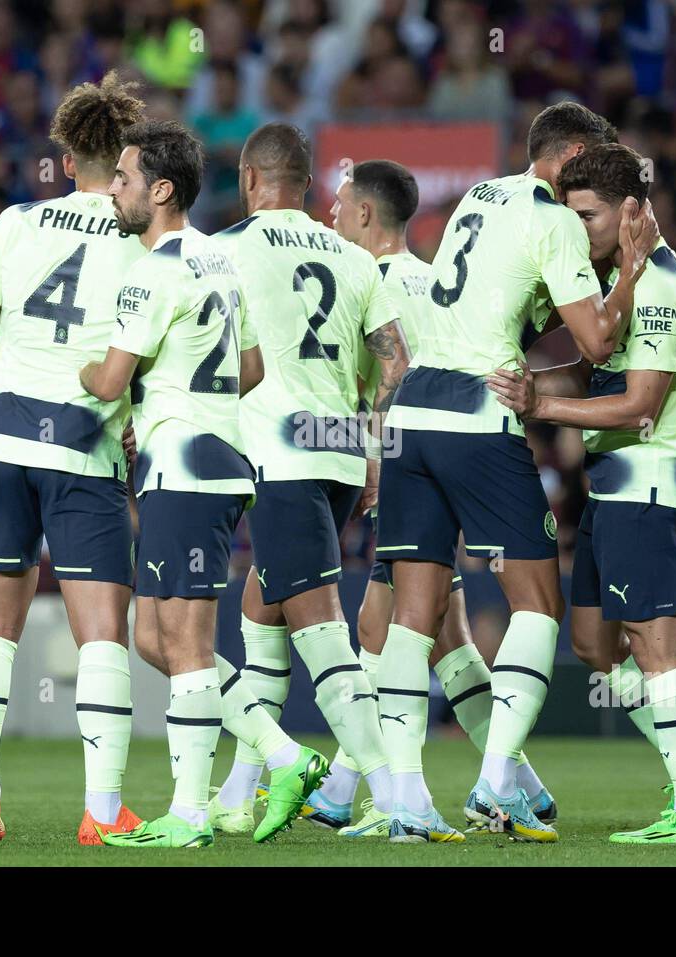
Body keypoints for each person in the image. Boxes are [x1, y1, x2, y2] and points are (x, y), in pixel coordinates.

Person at [375, 102, 655, 843]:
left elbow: (498, 300)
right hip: (476, 411)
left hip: (411, 414)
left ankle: (403, 801)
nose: (593, 179)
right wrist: (629, 265)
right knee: (537, 604)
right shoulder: (557, 219)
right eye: (591, 162)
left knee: (414, 616)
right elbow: (597, 342)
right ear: (567, 152)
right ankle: (496, 780)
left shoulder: (478, 195)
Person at [73, 119, 316, 848]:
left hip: (185, 468)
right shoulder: (216, 258)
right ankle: (284, 752)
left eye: (123, 178)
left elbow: (110, 378)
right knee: (154, 637)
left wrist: (82, 368)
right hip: (209, 460)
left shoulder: (152, 269)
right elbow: (252, 371)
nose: (113, 189)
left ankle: (188, 812)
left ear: (161, 189)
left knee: (182, 641)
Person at [0, 72, 148, 847]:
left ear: (63, 156)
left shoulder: (18, 223)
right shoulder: (143, 237)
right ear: (124, 158)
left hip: (9, 439)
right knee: (100, 634)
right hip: (85, 442)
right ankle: (103, 807)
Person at [486, 142, 676, 844]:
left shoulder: (657, 285)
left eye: (586, 216)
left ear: (632, 210)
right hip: (612, 488)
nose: (574, 230)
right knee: (596, 644)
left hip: (652, 480)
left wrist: (542, 405)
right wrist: (529, 384)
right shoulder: (617, 279)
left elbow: (640, 403)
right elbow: (591, 373)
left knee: (658, 644)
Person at [305, 157, 553, 837]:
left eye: (339, 203)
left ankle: (363, 788)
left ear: (364, 213)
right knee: (440, 635)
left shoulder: (361, 281)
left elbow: (389, 376)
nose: (331, 214)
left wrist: (374, 460)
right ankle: (515, 777)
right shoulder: (434, 276)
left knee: (390, 629)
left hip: (410, 456)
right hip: (453, 441)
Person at [206, 123, 412, 837]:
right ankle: (236, 792)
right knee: (261, 610)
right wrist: (379, 449)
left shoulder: (225, 249)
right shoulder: (354, 259)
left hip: (280, 451)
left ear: (249, 180)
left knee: (317, 621)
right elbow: (394, 361)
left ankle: (392, 796)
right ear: (309, 184)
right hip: (342, 454)